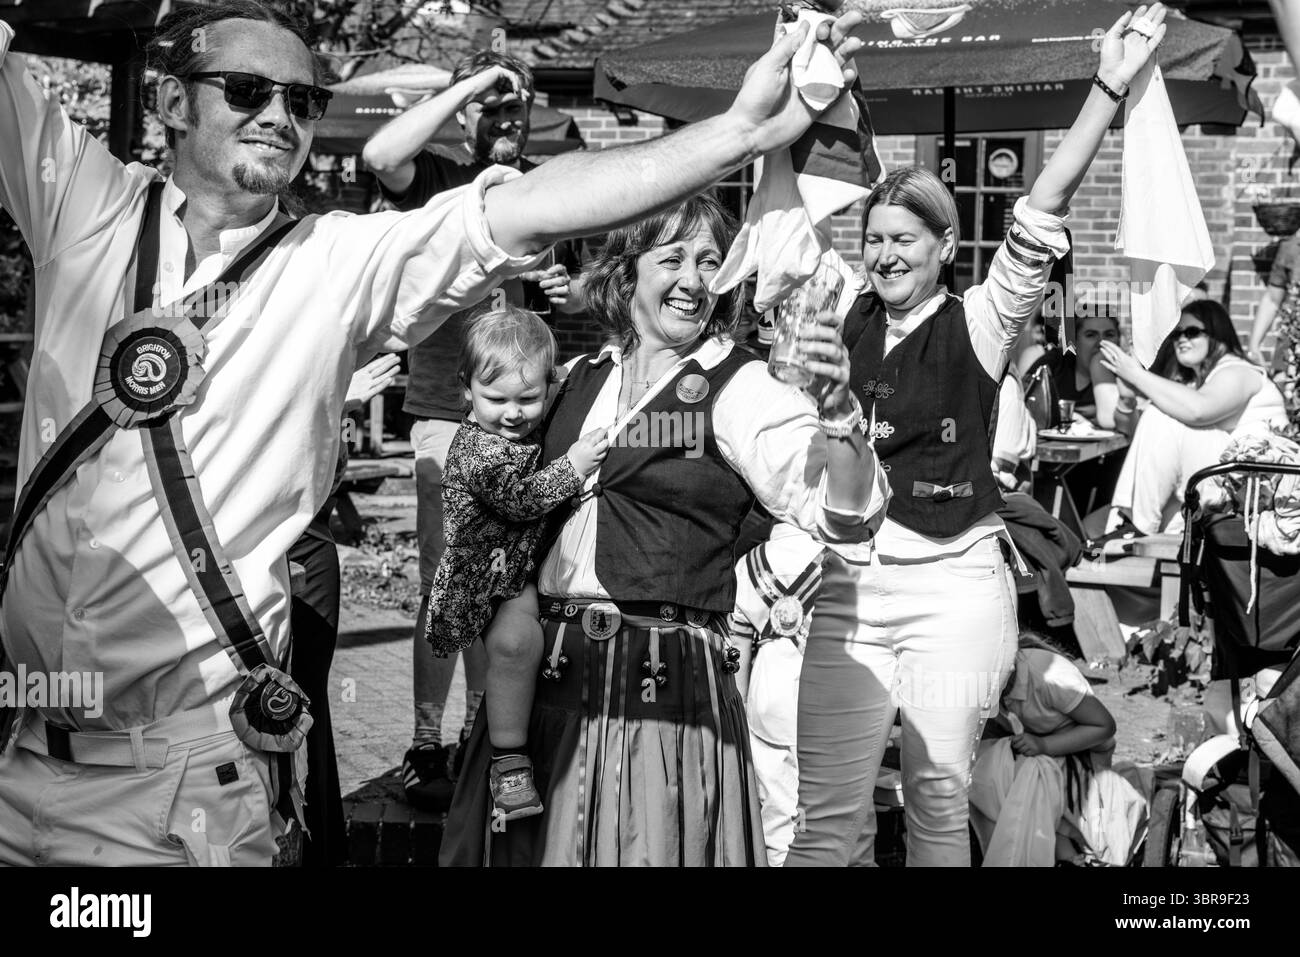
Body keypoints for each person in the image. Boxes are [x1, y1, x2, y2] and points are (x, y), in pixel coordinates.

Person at [0, 0, 870, 866]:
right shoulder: (82, 205)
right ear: (173, 102)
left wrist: (738, 133)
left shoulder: (334, 264)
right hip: (19, 757)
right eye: (245, 89)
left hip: (176, 785)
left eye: (301, 102)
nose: (278, 116)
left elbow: (527, 207)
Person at [784, 4, 1169, 868]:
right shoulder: (841, 311)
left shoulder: (982, 321)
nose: (884, 255)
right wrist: (807, 79)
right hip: (847, 586)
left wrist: (1107, 86)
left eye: (903, 240)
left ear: (945, 245)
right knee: (825, 816)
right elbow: (796, 205)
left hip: (953, 585)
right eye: (874, 239)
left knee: (934, 802)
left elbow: (1044, 204)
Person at [439, 193, 890, 866]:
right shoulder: (575, 379)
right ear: (627, 270)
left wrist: (837, 411)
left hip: (660, 693)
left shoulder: (742, 386)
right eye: (672, 257)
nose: (693, 279)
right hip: (542, 692)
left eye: (711, 261)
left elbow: (847, 512)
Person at [362, 49, 580, 810]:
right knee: (446, 575)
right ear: (468, 113)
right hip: (445, 415)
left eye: (518, 110)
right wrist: (474, 83)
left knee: (507, 583)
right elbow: (380, 154)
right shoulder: (438, 183)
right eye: (494, 108)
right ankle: (426, 740)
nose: (508, 124)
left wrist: (567, 288)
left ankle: (485, 736)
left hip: (522, 418)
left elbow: (578, 297)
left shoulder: (544, 191)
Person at [423, 307, 609, 822]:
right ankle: (508, 764)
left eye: (528, 399)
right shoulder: (480, 451)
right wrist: (573, 466)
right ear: (466, 391)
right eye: (496, 398)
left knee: (524, 648)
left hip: (516, 568)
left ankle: (502, 743)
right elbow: (521, 500)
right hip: (485, 579)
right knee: (513, 644)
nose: (512, 412)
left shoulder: (520, 424)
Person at [288, 353, 401, 867]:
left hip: (304, 534)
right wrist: (328, 388)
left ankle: (316, 847)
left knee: (299, 703)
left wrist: (331, 393)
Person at [1100, 300, 1287, 534]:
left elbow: (1198, 410)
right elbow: (1140, 437)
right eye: (1177, 333)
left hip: (1256, 486)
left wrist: (1136, 375)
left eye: (1192, 332)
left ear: (1217, 334)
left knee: (1161, 415)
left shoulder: (1238, 371)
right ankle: (1127, 525)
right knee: (1163, 518)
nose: (1182, 339)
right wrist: (1127, 400)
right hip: (1223, 482)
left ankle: (1134, 526)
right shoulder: (1196, 383)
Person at [970, 633, 1145, 866]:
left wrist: (1044, 746)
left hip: (1083, 757)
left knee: (1028, 774)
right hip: (1037, 750)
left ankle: (1060, 855)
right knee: (982, 769)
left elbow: (1104, 726)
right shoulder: (986, 683)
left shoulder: (1049, 675)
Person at [728, 522, 827, 867]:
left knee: (777, 819)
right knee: (839, 817)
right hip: (828, 694)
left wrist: (737, 710)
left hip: (767, 697)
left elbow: (737, 648)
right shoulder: (842, 558)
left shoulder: (748, 565)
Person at [1024, 313, 1122, 428]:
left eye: (1109, 335)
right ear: (1075, 341)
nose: (1101, 343)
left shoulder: (1124, 374)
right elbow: (1023, 400)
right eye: (1091, 335)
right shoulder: (1055, 362)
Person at [1246, 231, 1300, 429]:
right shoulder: (1291, 247)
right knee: (1285, 415)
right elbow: (1272, 298)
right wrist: (1254, 345)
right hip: (1291, 351)